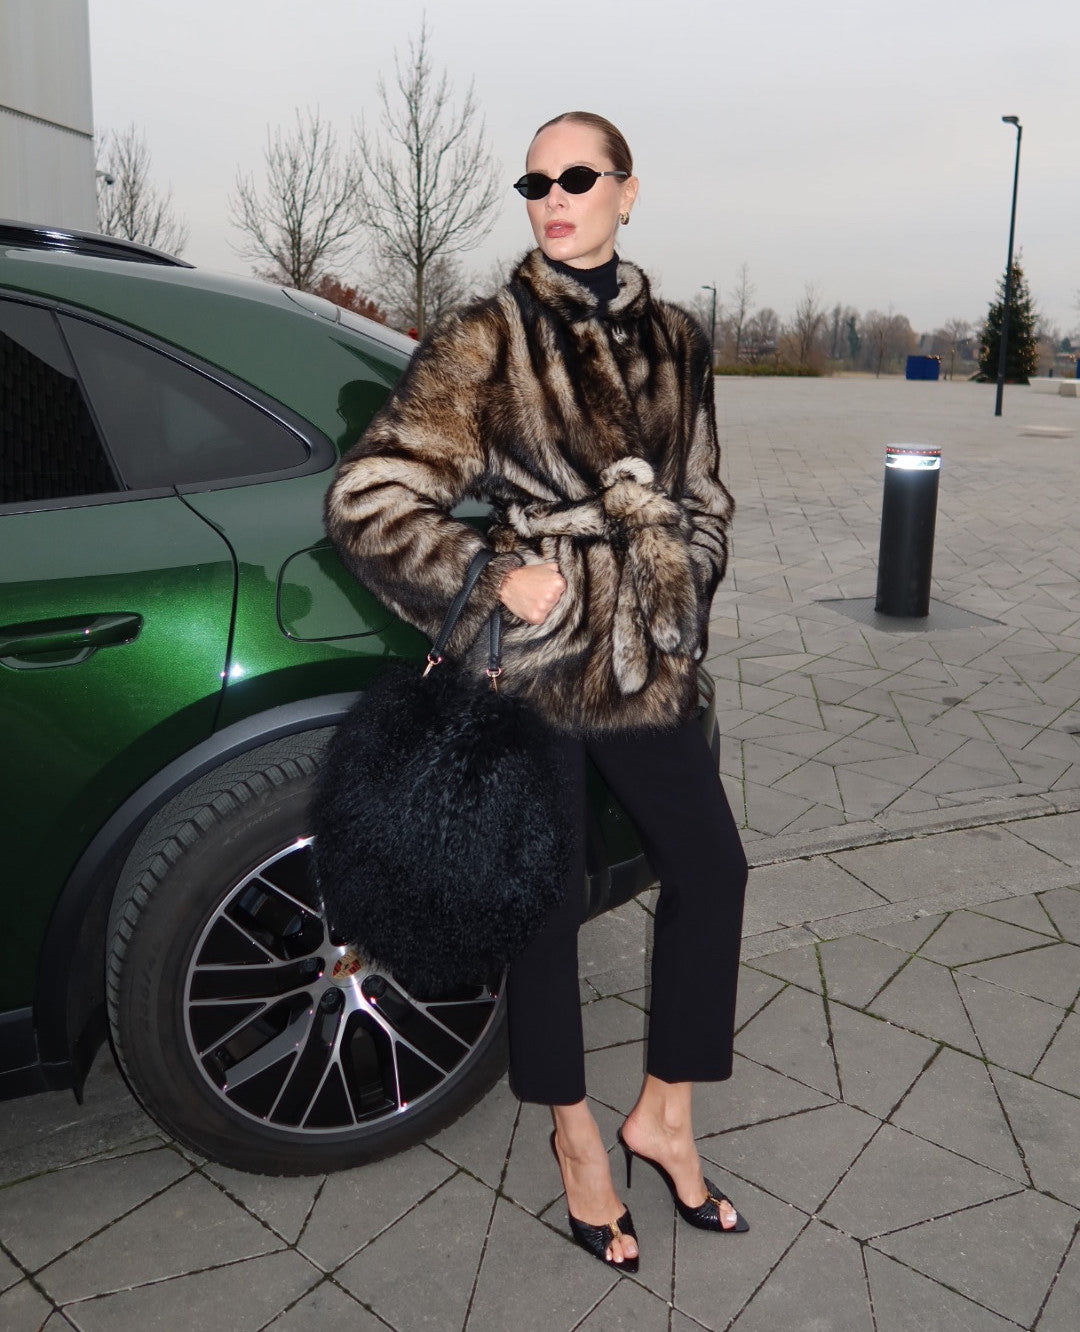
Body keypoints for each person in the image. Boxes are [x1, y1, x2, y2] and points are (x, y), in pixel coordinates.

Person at [325, 111, 749, 1273]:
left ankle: (665, 1116)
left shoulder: (678, 339)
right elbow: (368, 495)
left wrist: (680, 593)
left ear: (627, 190)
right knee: (545, 904)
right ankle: (574, 1138)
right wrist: (489, 573)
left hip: (646, 660)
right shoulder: (487, 337)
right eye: (534, 181)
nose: (552, 196)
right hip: (535, 660)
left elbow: (705, 496)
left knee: (713, 868)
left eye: (576, 176)